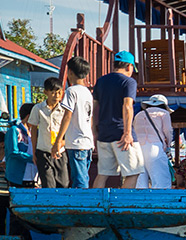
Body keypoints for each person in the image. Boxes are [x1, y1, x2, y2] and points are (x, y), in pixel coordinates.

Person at [92, 51, 138, 189]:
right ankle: (123, 206)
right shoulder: (128, 82)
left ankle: (96, 205)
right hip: (121, 134)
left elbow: (94, 107)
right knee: (133, 172)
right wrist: (128, 132)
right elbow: (128, 106)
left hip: (104, 133)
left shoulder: (101, 81)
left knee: (103, 174)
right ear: (129, 66)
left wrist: (94, 130)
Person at [54, 57, 94, 189]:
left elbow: (67, 115)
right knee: (83, 177)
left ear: (70, 72)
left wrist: (58, 140)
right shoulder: (87, 92)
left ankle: (83, 207)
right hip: (87, 141)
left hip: (76, 142)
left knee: (79, 181)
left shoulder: (71, 91)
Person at [27, 77, 66, 188]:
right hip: (43, 151)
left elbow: (68, 129)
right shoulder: (38, 109)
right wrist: (34, 152)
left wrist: (63, 143)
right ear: (45, 92)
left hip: (60, 152)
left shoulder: (64, 110)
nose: (56, 96)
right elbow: (33, 130)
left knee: (64, 183)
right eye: (53, 93)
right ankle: (50, 205)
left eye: (59, 92)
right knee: (48, 184)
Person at [132, 94, 174, 189]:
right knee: (161, 181)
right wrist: (168, 143)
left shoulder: (138, 115)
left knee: (140, 183)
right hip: (155, 147)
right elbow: (168, 130)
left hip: (138, 148)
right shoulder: (164, 113)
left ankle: (141, 203)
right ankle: (161, 203)